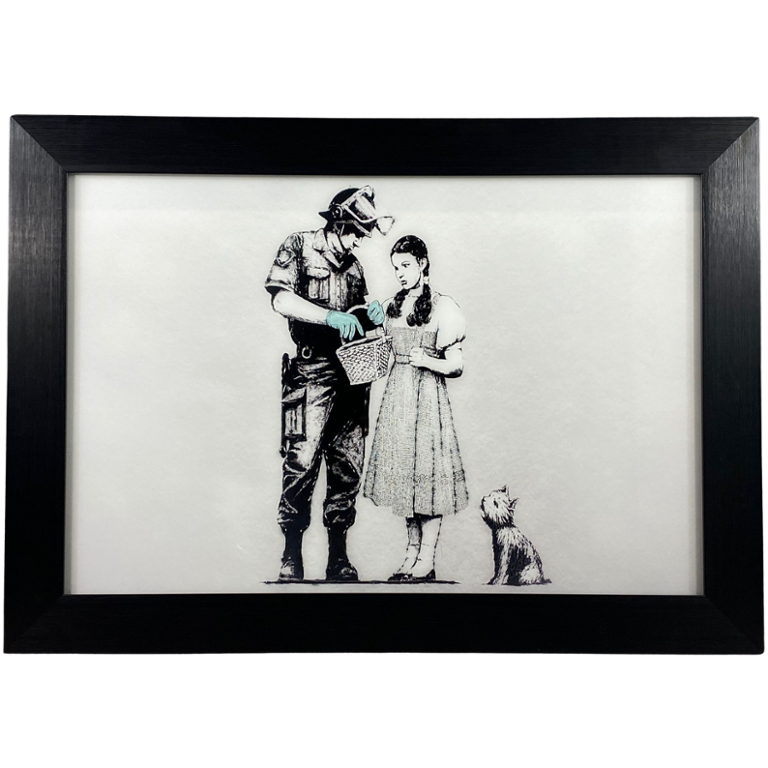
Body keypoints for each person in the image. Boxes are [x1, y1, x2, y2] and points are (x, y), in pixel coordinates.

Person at [265, 186, 394, 582]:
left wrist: (372, 313)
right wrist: (329, 317)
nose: (358, 241)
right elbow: (281, 300)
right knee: (301, 461)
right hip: (311, 373)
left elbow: (359, 315)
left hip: (352, 376)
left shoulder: (354, 267)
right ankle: (291, 553)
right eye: (355, 232)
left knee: (347, 465)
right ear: (338, 223)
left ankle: (338, 555)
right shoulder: (299, 247)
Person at [363, 235, 468, 581]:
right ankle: (410, 555)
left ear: (422, 263)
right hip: (398, 398)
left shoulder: (443, 306)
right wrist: (373, 324)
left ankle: (426, 558)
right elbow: (380, 349)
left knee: (428, 478)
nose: (401, 273)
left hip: (427, 399)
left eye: (406, 265)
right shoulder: (392, 305)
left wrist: (429, 361)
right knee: (405, 478)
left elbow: (457, 365)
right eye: (396, 268)